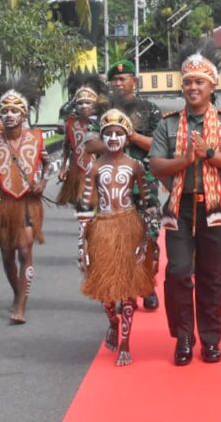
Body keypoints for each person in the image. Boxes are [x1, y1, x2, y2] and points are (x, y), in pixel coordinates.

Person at [149, 41, 221, 366]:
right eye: (188, 81)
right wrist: (185, 160)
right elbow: (157, 166)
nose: (193, 87)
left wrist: (208, 154)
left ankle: (210, 339)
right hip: (180, 206)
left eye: (199, 81)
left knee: (212, 276)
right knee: (178, 272)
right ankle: (184, 338)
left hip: (216, 206)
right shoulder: (167, 123)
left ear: (213, 85)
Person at [78, 107, 155, 367]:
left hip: (129, 226)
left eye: (118, 133)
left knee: (129, 290)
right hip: (102, 228)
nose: (113, 138)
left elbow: (148, 203)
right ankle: (112, 322)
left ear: (127, 137)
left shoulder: (135, 166)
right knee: (106, 294)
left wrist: (148, 239)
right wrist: (82, 245)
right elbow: (86, 205)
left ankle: (125, 342)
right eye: (108, 133)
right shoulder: (95, 167)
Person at [88, 60, 162, 312]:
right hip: (111, 189)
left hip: (144, 185)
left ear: (135, 81)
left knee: (148, 236)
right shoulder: (102, 110)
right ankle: (120, 287)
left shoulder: (150, 110)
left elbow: (159, 145)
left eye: (123, 79)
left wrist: (131, 135)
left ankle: (147, 284)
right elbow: (89, 144)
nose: (119, 84)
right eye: (114, 80)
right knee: (115, 243)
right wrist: (113, 139)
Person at [0, 80, 49, 324]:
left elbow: (47, 164)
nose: (9, 115)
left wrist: (43, 183)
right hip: (3, 204)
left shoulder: (36, 138)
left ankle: (21, 305)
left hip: (28, 202)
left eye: (15, 111)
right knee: (7, 253)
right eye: (5, 111)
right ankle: (17, 293)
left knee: (24, 249)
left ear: (24, 114)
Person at [57, 71, 107, 210]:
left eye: (88, 102)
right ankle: (84, 230)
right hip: (77, 171)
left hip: (101, 171)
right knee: (81, 205)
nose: (84, 106)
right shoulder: (71, 123)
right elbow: (66, 146)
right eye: (81, 103)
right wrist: (63, 167)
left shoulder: (104, 122)